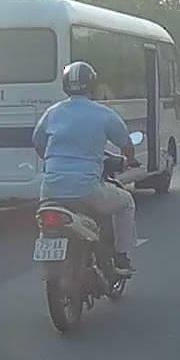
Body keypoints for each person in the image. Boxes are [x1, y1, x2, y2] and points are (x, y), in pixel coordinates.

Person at [32, 61, 138, 276]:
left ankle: (48, 266)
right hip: (86, 189)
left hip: (50, 189)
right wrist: (130, 160)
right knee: (126, 202)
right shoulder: (103, 114)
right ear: (92, 85)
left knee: (46, 226)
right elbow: (126, 143)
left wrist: (51, 160)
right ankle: (121, 256)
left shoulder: (52, 113)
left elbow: (38, 141)